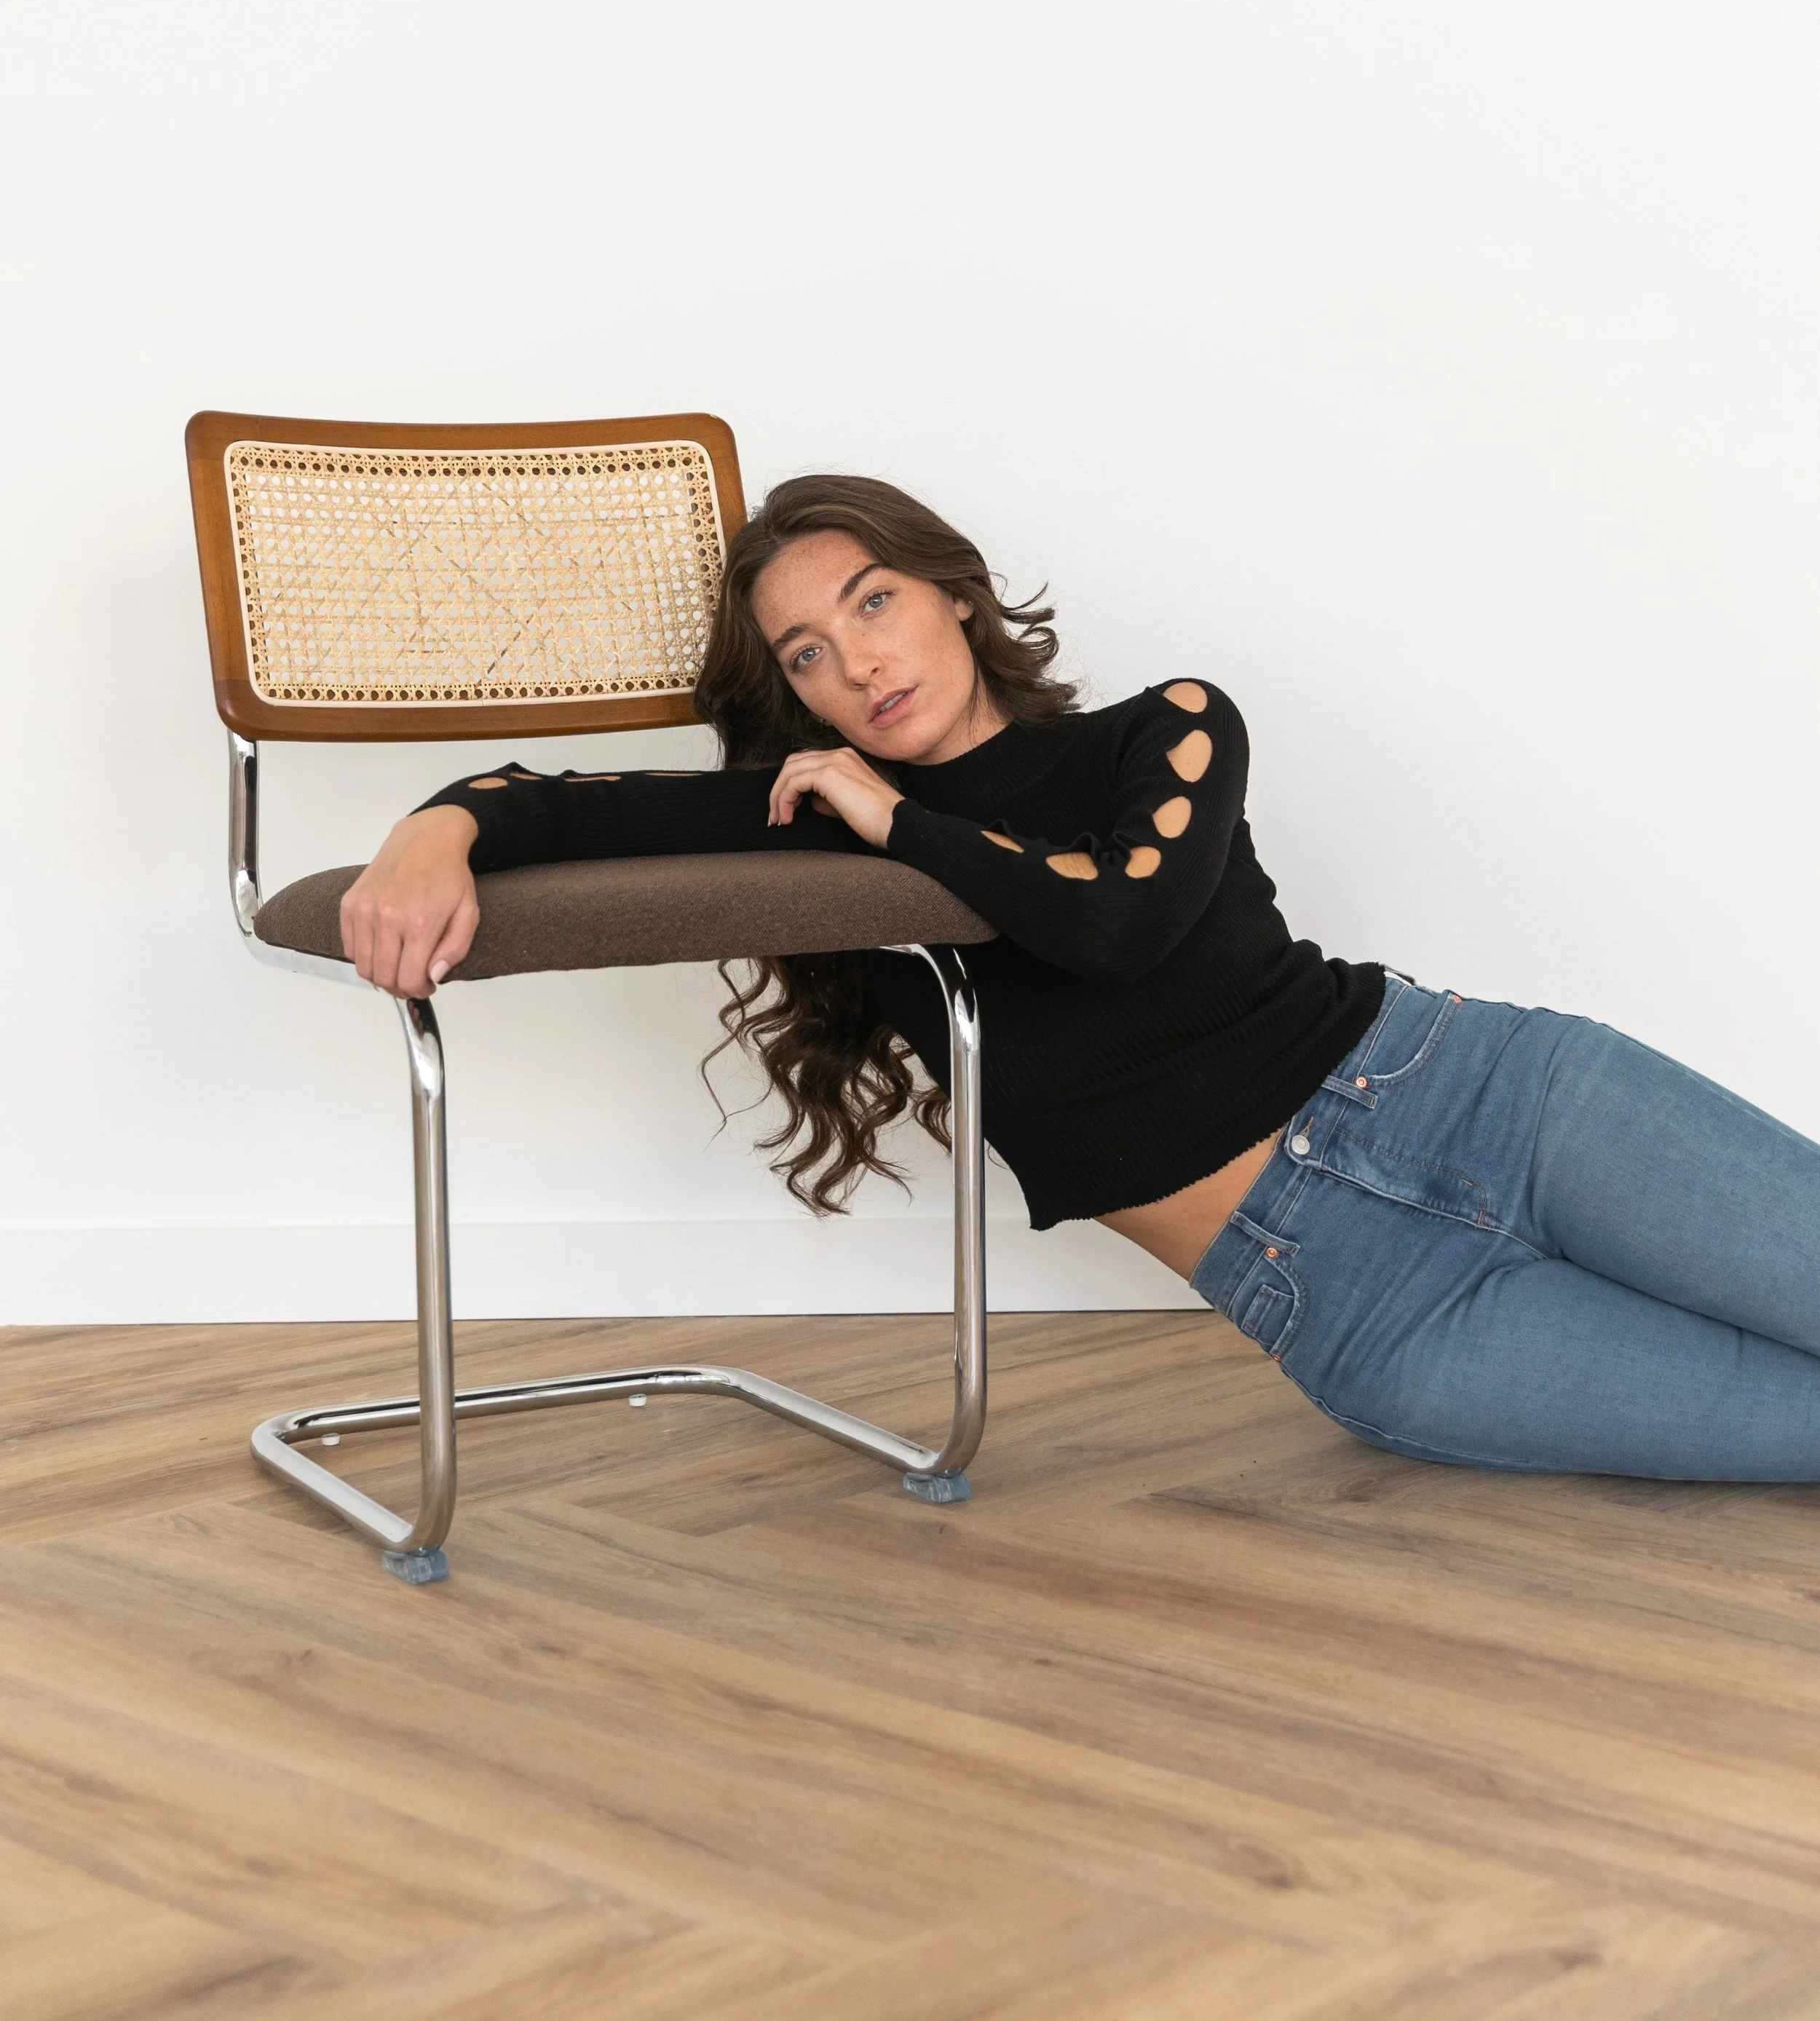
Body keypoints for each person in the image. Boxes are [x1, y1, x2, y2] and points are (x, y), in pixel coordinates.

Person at [342, 473, 1820, 1481]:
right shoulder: (815, 810)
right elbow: (564, 803)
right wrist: (434, 828)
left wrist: (903, 826)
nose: (852, 666)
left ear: (952, 596)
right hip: (1359, 1306)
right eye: (802, 655)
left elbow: (1114, 924)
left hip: (1494, 1101)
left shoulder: (1159, 732)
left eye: (870, 604)